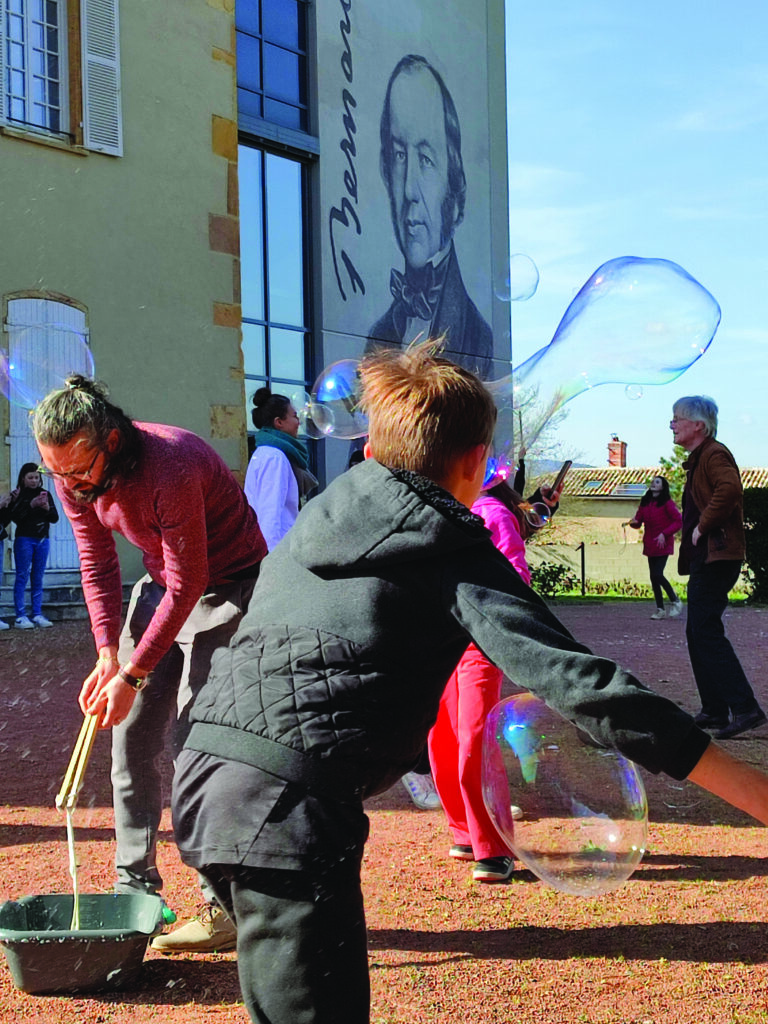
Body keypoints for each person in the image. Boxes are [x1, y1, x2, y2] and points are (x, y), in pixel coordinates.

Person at [172, 342, 768, 1024]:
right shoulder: (444, 538)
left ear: (371, 452)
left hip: (202, 777)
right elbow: (578, 679)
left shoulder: (323, 517)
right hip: (289, 808)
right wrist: (753, 790)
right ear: (474, 464)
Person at [32, 375, 268, 954]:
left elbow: (192, 584)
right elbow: (96, 562)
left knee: (197, 747)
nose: (70, 484)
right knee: (128, 740)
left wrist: (133, 676)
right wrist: (108, 651)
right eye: (55, 472)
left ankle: (222, 905)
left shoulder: (172, 462)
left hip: (229, 591)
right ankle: (134, 889)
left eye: (78, 468)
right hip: (161, 590)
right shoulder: (74, 476)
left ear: (110, 440)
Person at [428, 479, 545, 883]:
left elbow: (517, 580)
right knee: (441, 737)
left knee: (474, 739)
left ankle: (494, 845)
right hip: (442, 640)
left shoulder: (492, 513)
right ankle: (466, 831)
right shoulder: (437, 505)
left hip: (476, 642)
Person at [367, 54, 494, 378]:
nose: (409, 189)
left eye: (425, 159)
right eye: (398, 155)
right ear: (385, 169)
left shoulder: (478, 337)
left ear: (454, 178)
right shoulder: (378, 337)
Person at [671, 395, 766, 739]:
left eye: (677, 418)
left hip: (718, 555)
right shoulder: (701, 457)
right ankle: (714, 710)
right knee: (697, 630)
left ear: (699, 425)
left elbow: (730, 489)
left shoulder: (714, 453)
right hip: (709, 557)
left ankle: (745, 709)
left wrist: (702, 526)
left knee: (705, 630)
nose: (672, 424)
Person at [244, 387, 318, 551]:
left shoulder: (267, 452)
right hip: (278, 551)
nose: (298, 422)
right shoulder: (274, 456)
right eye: (294, 416)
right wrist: (271, 560)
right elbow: (270, 512)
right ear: (279, 422)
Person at [0, 462, 59, 629]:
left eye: (36, 477)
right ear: (23, 479)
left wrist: (47, 507)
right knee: (22, 576)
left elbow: (54, 518)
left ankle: (37, 613)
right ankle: (20, 615)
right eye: (30, 478)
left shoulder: (44, 494)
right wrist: (30, 505)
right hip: (25, 539)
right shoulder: (18, 495)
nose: (34, 481)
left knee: (38, 576)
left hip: (42, 539)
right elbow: (15, 518)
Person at [627, 475, 683, 620]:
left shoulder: (667, 503)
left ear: (663, 487)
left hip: (662, 544)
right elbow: (638, 521)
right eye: (652, 481)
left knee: (658, 574)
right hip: (650, 543)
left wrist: (664, 534)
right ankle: (660, 609)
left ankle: (675, 601)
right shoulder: (645, 502)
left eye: (657, 482)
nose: (653, 483)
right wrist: (633, 523)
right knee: (653, 577)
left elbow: (678, 521)